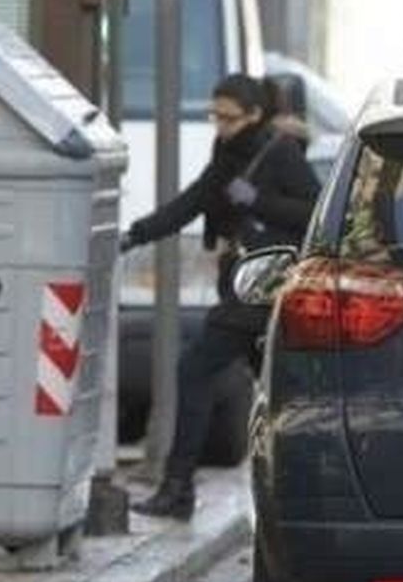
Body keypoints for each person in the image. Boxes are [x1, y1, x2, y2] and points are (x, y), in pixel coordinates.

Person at [119, 73, 322, 520]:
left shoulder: (280, 152)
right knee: (280, 394)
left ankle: (179, 488)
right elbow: (195, 199)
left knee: (195, 371)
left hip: (260, 289)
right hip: (241, 285)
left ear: (254, 115)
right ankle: (299, 490)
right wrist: (137, 234)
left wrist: (256, 200)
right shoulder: (226, 152)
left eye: (229, 118)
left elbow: (315, 211)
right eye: (215, 116)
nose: (220, 126)